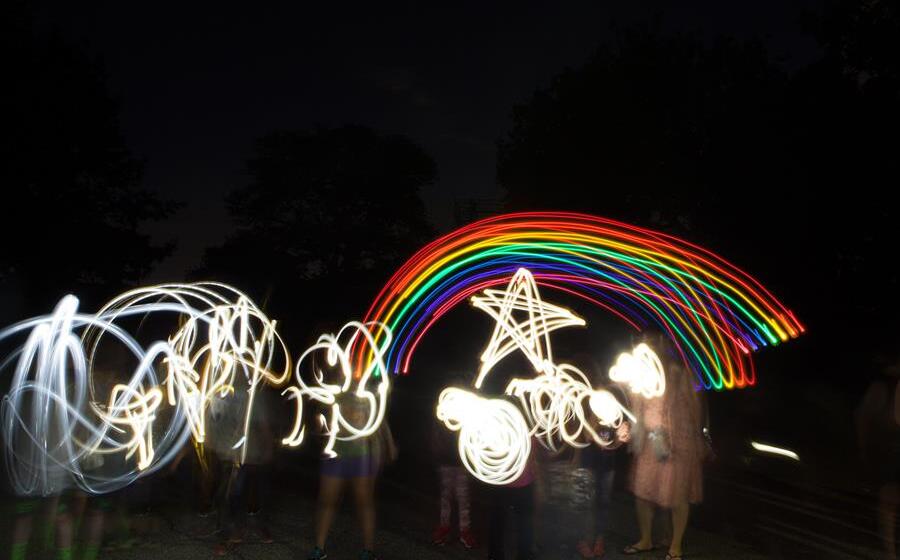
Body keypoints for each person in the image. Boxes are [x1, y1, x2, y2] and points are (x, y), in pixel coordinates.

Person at [624, 332, 704, 560]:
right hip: (650, 442)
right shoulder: (638, 374)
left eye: (650, 343)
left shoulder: (679, 372)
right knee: (644, 492)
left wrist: (699, 436)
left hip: (679, 442)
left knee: (677, 495)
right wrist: (632, 430)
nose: (645, 348)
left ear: (662, 345)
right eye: (641, 344)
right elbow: (634, 407)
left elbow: (695, 406)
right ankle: (646, 539)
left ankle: (675, 546)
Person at [308, 397, 397, 560]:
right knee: (327, 501)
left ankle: (368, 550)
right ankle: (318, 548)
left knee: (364, 503)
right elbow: (320, 420)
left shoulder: (366, 389)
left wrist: (388, 443)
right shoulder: (333, 388)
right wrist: (320, 425)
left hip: (360, 455)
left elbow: (379, 418)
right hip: (335, 454)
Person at [856, 354, 900, 560]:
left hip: (890, 448)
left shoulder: (881, 387)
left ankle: (890, 553)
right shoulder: (883, 387)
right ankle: (890, 553)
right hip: (890, 448)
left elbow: (863, 417)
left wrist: (865, 445)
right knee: (889, 500)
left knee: (888, 503)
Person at [431, 379, 477, 549]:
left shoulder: (468, 413)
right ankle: (444, 528)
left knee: (463, 498)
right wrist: (437, 452)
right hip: (446, 462)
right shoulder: (444, 413)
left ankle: (464, 531)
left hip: (460, 463)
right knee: (446, 497)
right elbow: (436, 435)